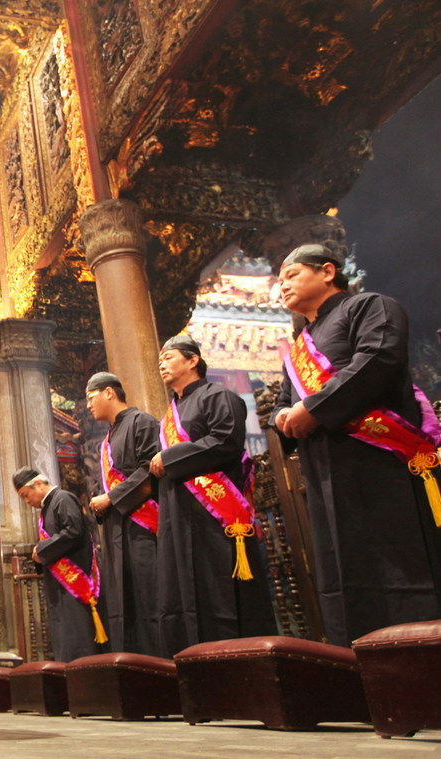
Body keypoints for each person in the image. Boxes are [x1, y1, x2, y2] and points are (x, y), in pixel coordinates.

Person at [272, 243, 441, 646]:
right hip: (324, 470)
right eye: (280, 281)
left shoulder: (370, 306)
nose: (283, 287)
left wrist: (314, 408)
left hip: (381, 462)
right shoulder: (299, 346)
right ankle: (356, 667)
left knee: (399, 562)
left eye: (292, 275)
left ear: (327, 271)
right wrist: (282, 418)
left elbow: (378, 358)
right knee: (341, 571)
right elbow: (283, 402)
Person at [149, 334, 274, 657]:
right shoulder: (170, 414)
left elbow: (224, 441)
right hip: (180, 514)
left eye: (169, 357)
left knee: (221, 589)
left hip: (215, 517)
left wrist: (170, 456)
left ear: (193, 360)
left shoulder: (219, 396)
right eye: (159, 360)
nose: (162, 364)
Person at [85, 372, 161, 656]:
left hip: (144, 527)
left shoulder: (142, 422)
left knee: (149, 597)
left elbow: (151, 469)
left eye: (91, 398)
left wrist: (111, 497)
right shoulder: (106, 440)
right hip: (117, 529)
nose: (88, 406)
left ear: (109, 392)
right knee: (122, 601)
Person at [13, 467, 107, 662]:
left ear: (39, 484)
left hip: (75, 582)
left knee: (78, 634)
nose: (27, 501)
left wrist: (41, 549)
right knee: (65, 635)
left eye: (25, 495)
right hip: (60, 585)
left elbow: (73, 531)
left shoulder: (63, 498)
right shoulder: (48, 507)